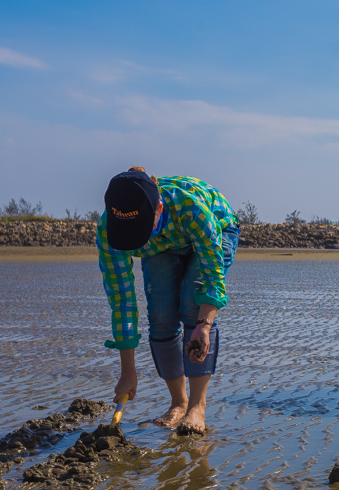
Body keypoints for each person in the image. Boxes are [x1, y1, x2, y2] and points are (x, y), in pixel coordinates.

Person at [97, 166, 239, 433]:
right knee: (161, 315)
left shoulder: (192, 208)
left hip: (215, 225)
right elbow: (122, 300)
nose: (130, 242)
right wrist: (128, 371)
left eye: (137, 233)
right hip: (161, 243)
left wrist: (204, 325)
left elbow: (212, 279)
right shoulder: (108, 229)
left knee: (192, 307)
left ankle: (197, 407)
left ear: (158, 209)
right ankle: (179, 402)